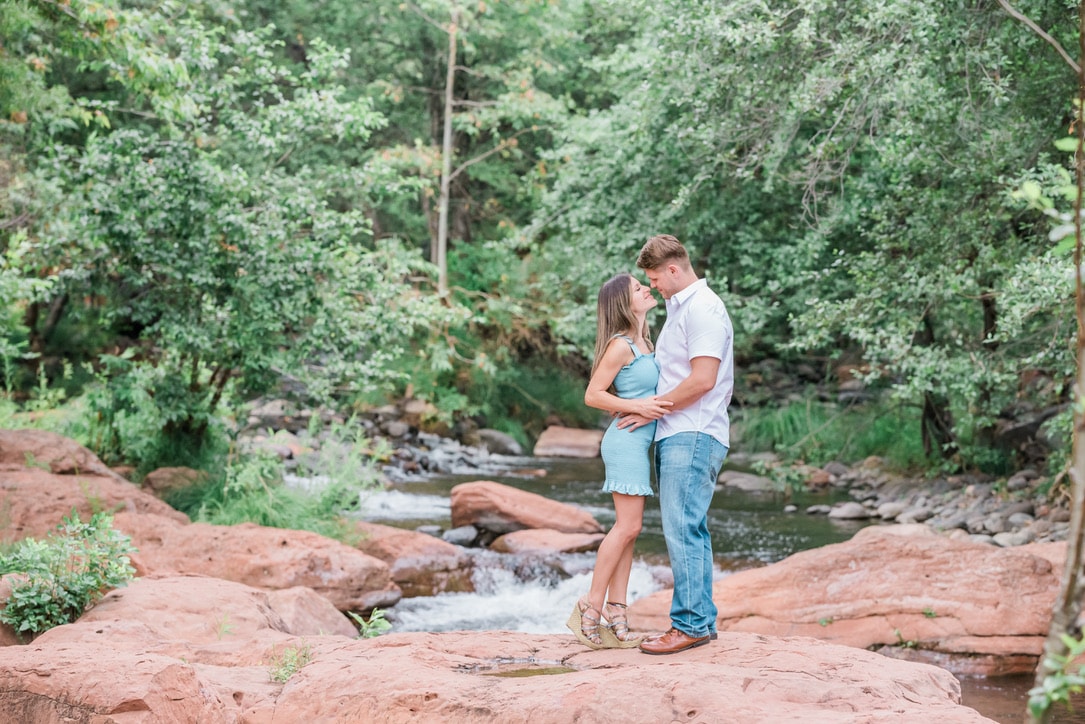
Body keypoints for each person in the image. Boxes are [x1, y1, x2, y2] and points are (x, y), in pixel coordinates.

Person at [618, 234, 733, 655]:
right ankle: (700, 620)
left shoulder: (702, 309)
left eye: (655, 278)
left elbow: (703, 380)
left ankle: (689, 625)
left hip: (693, 431)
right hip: (682, 430)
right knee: (692, 528)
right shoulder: (681, 309)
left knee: (682, 528)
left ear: (673, 269)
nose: (653, 287)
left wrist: (651, 408)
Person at [567, 272, 673, 649]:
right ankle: (591, 607)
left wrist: (647, 410)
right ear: (624, 304)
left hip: (636, 441)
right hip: (625, 443)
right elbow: (593, 394)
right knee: (627, 528)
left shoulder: (643, 341)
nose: (647, 289)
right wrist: (637, 406)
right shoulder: (621, 346)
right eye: (638, 289)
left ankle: (618, 611)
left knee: (630, 531)